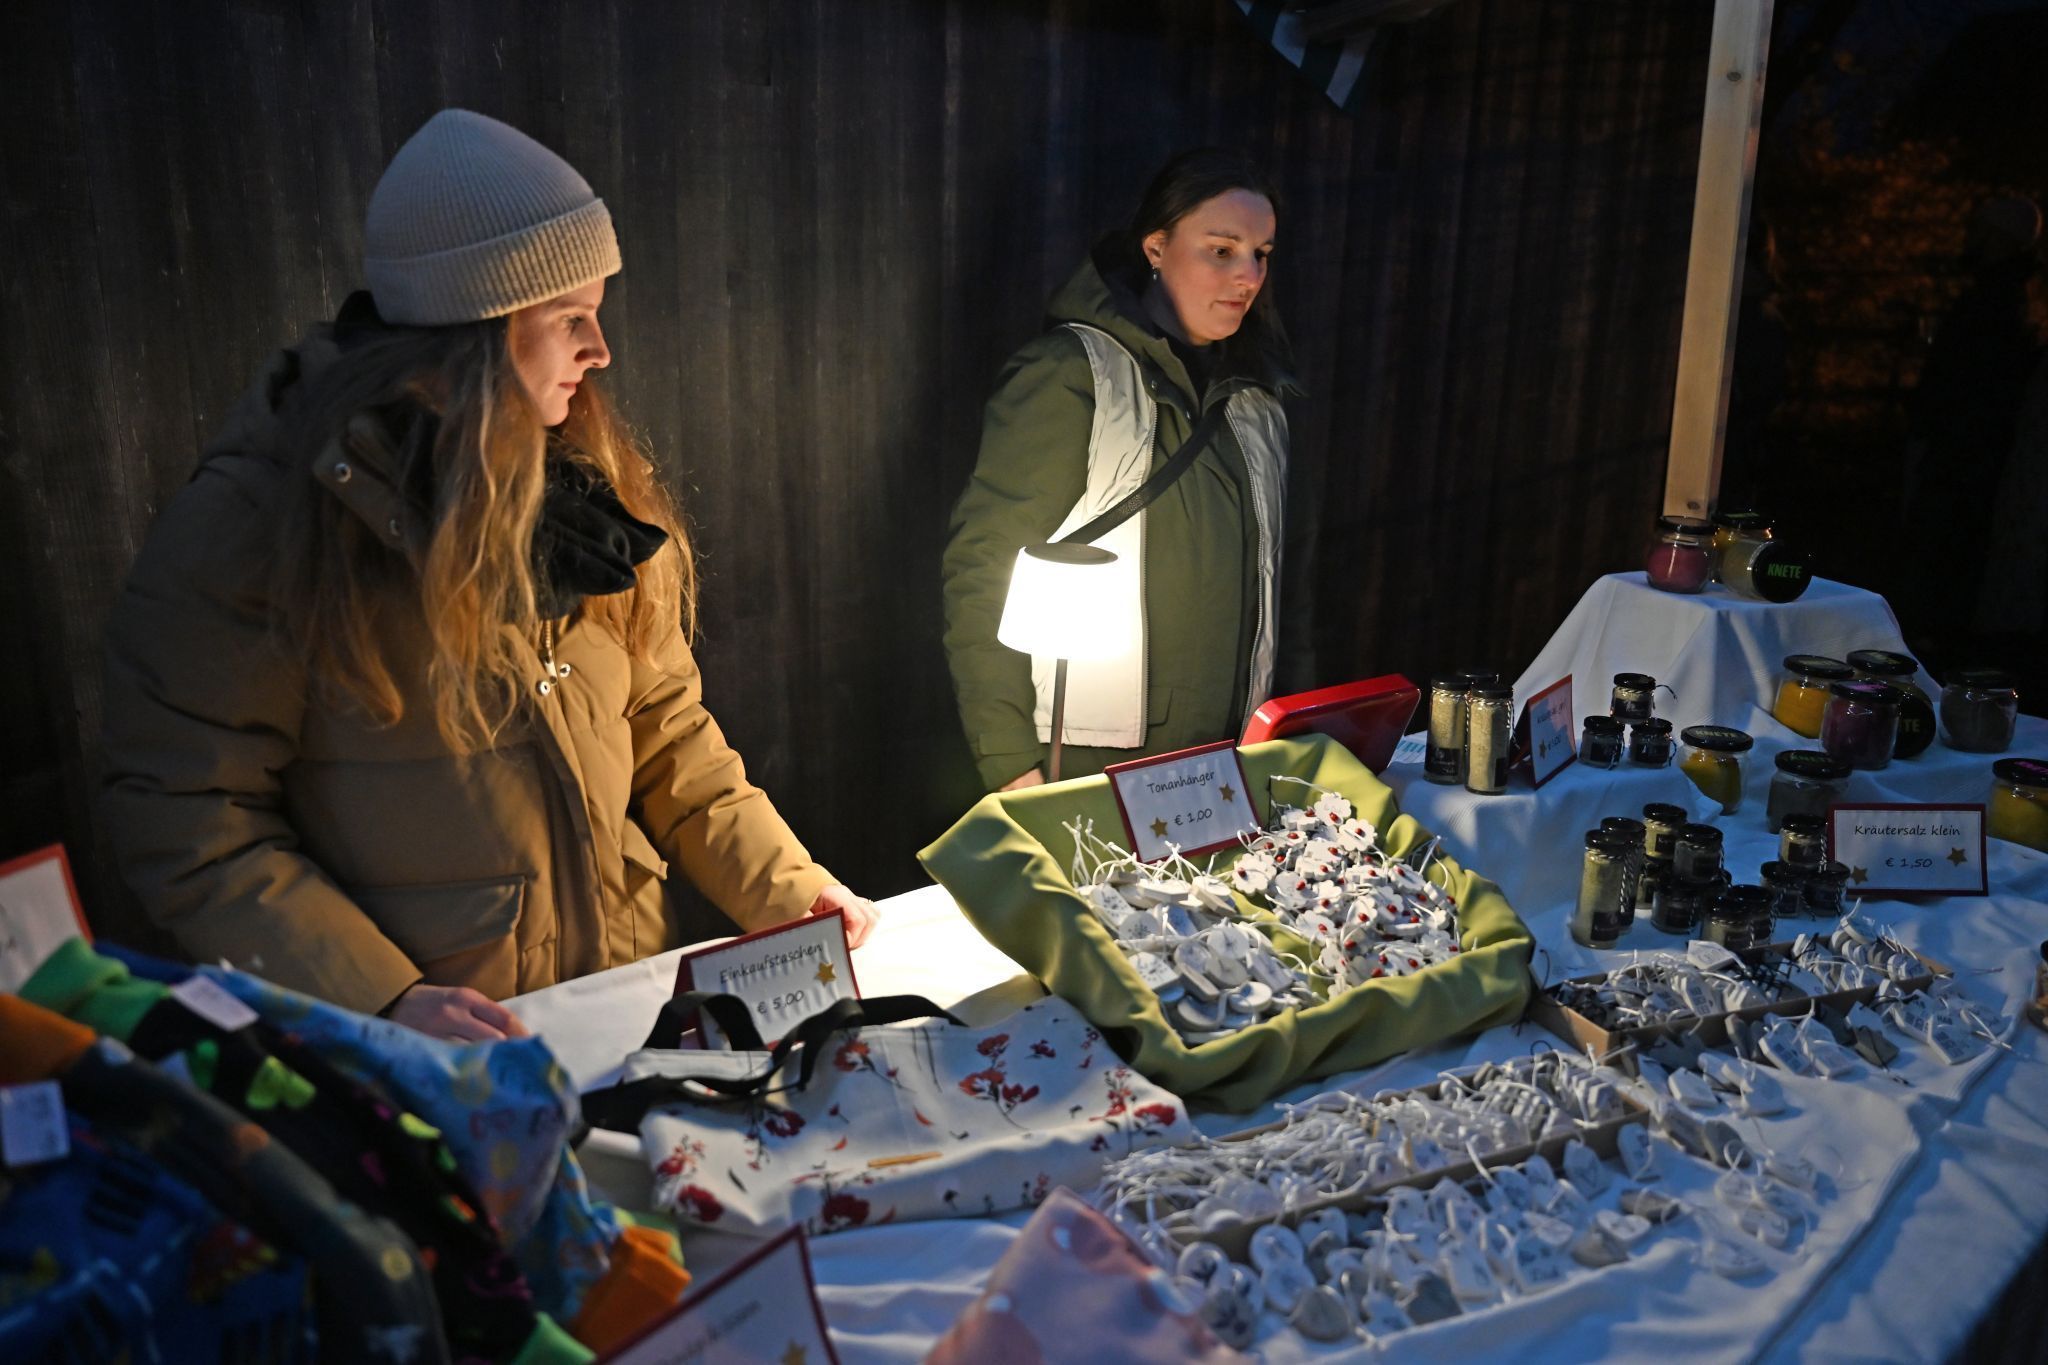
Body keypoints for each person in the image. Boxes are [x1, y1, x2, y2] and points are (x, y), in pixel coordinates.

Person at [99, 109, 874, 1042]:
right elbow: (187, 812)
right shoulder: (261, 522)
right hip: (421, 1060)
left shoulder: (579, 485)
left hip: (612, 1021)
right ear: (471, 335)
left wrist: (792, 892)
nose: (601, 352)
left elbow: (667, 730)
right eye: (569, 319)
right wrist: (378, 996)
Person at [942, 148, 1299, 792]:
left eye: (1262, 253)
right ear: (1156, 248)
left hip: (1222, 762)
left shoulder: (1255, 401)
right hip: (1082, 763)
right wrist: (1011, 765)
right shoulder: (1073, 376)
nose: (1247, 275)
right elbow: (983, 566)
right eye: (1221, 250)